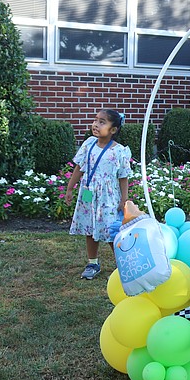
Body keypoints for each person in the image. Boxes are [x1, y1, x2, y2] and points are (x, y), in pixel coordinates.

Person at [65, 109, 131, 280]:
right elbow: (79, 167)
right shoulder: (88, 144)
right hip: (88, 193)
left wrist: (124, 199)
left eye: (102, 122)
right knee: (89, 227)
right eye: (96, 120)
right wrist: (70, 188)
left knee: (111, 230)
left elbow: (123, 177)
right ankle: (92, 262)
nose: (96, 124)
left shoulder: (119, 151)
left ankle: (122, 264)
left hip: (108, 197)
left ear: (113, 130)